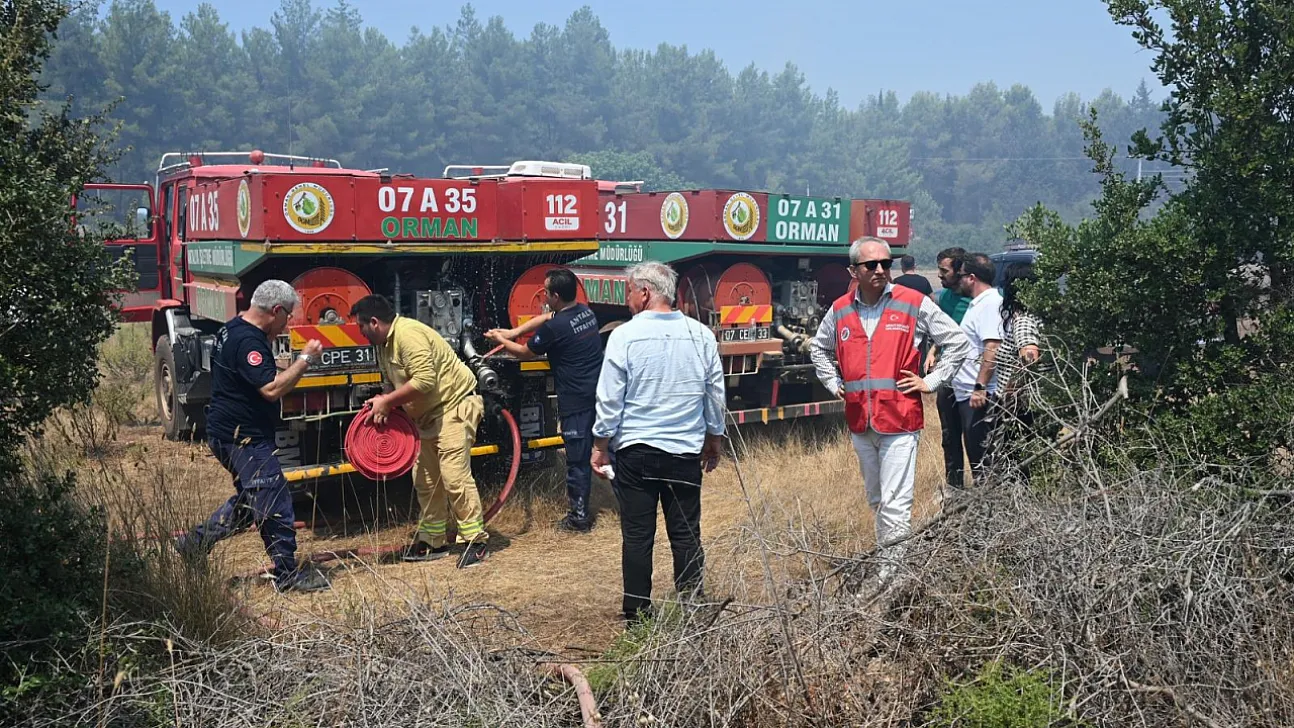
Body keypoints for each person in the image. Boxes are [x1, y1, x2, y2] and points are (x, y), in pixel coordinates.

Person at [809, 238, 972, 585]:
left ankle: (892, 579)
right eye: (872, 265)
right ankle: (890, 565)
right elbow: (819, 349)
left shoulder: (912, 304)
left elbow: (957, 342)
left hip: (899, 419)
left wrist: (932, 381)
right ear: (854, 271)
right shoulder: (840, 310)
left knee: (897, 501)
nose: (881, 269)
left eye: (886, 262)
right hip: (860, 421)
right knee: (878, 499)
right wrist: (831, 382)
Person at [591, 261, 726, 623]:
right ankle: (693, 606)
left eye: (630, 292)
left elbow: (610, 399)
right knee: (685, 534)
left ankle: (637, 613)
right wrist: (714, 437)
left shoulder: (624, 336)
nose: (628, 301)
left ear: (646, 292)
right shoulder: (701, 336)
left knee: (638, 536)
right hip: (684, 452)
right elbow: (715, 394)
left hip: (637, 452)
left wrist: (601, 444)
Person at [175, 280, 330, 593]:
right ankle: (287, 576)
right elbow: (271, 389)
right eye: (287, 316)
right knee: (275, 501)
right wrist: (306, 360)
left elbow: (259, 376)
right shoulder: (248, 342)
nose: (288, 323)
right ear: (275, 311)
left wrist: (290, 366)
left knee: (249, 503)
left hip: (226, 433)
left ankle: (193, 543)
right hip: (244, 439)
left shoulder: (232, 329)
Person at [350, 294, 490, 568]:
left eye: (361, 327)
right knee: (425, 479)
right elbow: (391, 384)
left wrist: (387, 402)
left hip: (455, 405)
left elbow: (425, 381)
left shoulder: (408, 335)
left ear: (375, 322)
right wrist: (383, 402)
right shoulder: (384, 346)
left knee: (453, 475)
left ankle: (476, 540)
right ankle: (433, 540)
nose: (361, 334)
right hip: (428, 416)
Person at [485, 268, 603, 533]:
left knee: (577, 459)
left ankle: (579, 519)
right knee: (606, 450)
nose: (544, 296)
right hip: (599, 394)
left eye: (547, 292)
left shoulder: (556, 327)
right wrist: (514, 331)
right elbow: (546, 319)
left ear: (556, 295)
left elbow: (525, 354)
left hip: (575, 400)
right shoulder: (585, 313)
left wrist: (502, 340)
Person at [950, 252, 1004, 482]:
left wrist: (980, 386)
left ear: (972, 278)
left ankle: (991, 509)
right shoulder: (979, 304)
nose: (958, 281)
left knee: (984, 460)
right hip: (968, 395)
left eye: (961, 276)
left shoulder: (990, 304)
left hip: (980, 398)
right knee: (976, 458)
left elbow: (992, 347)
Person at [926, 247, 973, 489]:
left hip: (971, 379)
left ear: (960, 271)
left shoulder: (977, 299)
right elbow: (943, 328)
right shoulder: (943, 298)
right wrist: (933, 350)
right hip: (948, 377)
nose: (940, 275)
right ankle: (954, 487)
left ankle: (984, 490)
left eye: (944, 271)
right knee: (949, 436)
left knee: (974, 436)